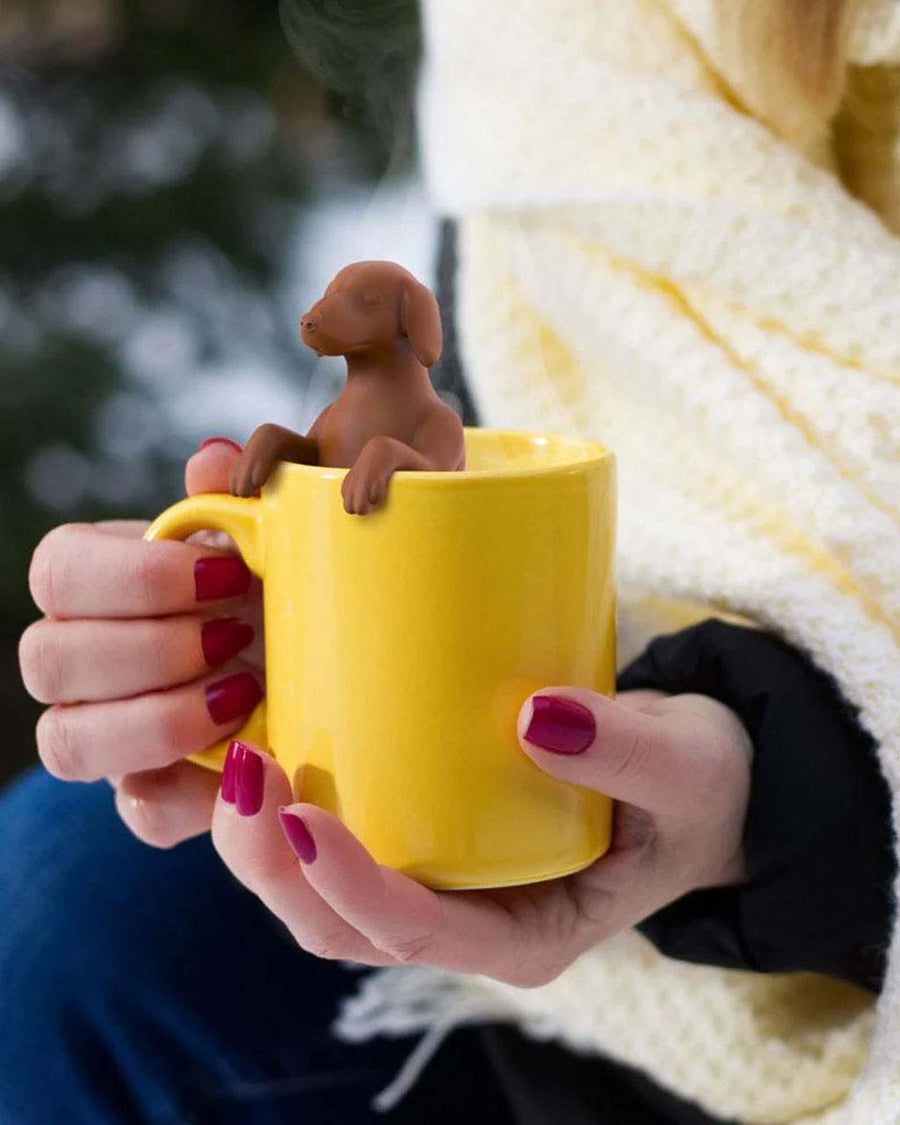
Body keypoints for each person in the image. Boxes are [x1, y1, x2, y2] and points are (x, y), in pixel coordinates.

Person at [4, 1, 900, 1122]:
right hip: (576, 918)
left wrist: (784, 801)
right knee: (69, 905)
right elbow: (527, 428)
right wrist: (272, 631)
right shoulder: (563, 40)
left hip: (811, 930)